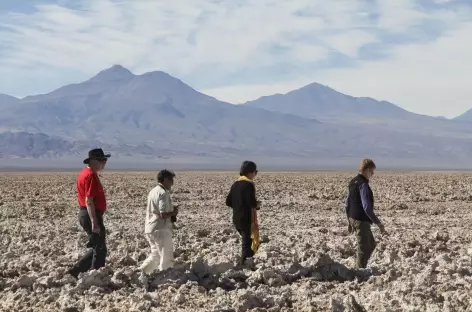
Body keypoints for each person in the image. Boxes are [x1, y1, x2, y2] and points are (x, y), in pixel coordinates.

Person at [68, 148, 111, 278]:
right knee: (100, 249)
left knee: (97, 246)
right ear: (92, 161)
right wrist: (94, 221)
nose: (104, 163)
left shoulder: (84, 173)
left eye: (105, 160)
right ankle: (96, 276)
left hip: (85, 213)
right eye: (101, 160)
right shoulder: (91, 175)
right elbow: (89, 200)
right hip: (90, 214)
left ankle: (76, 271)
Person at [345, 158, 387, 269]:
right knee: (363, 249)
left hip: (353, 218)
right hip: (360, 221)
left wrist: (349, 222)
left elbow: (347, 203)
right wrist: (379, 224)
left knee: (371, 244)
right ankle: (358, 273)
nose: (372, 175)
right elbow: (367, 207)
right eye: (372, 172)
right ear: (367, 170)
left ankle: (361, 267)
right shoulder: (363, 184)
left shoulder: (352, 182)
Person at [139, 169, 178, 274]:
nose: (172, 183)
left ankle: (139, 274)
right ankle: (166, 278)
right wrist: (173, 213)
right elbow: (163, 214)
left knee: (155, 256)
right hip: (161, 229)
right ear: (165, 179)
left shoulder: (153, 191)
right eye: (170, 179)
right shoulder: (163, 192)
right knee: (166, 257)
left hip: (150, 228)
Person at [225, 161, 260, 266]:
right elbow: (251, 202)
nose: (255, 174)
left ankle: (246, 262)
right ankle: (244, 265)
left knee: (246, 241)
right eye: (255, 172)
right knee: (247, 244)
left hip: (236, 218)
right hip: (246, 218)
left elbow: (228, 202)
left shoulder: (235, 184)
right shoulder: (249, 184)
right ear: (251, 172)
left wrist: (238, 207)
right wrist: (257, 205)